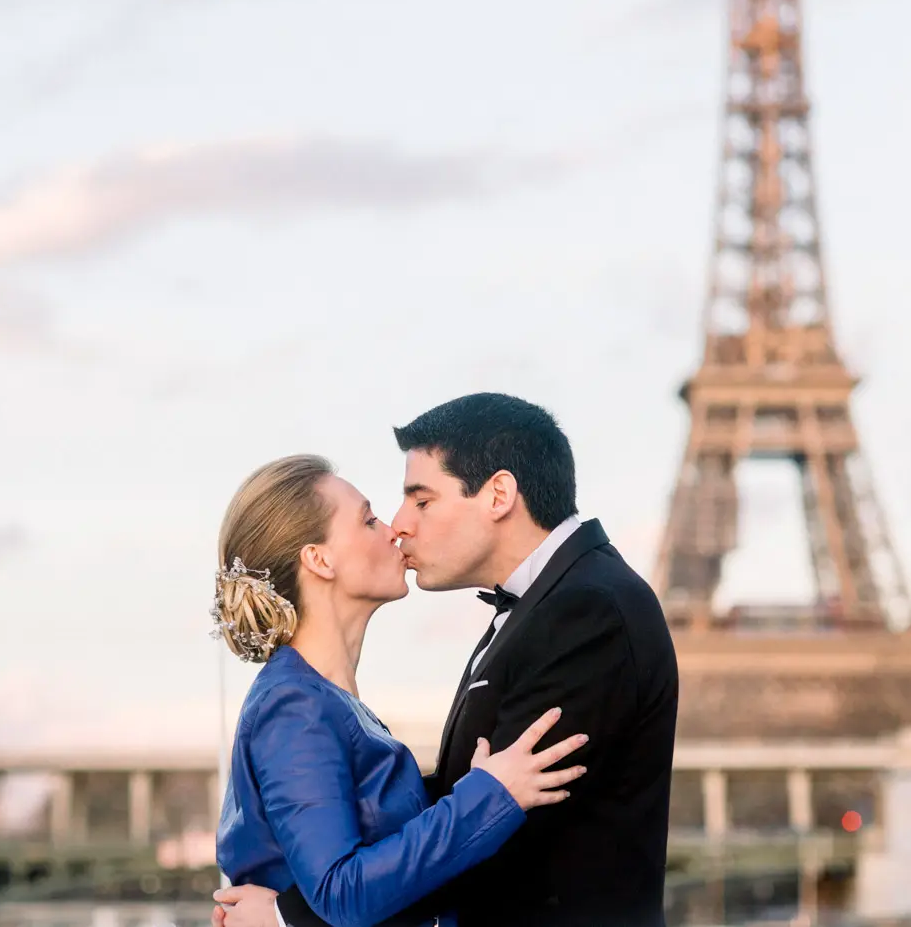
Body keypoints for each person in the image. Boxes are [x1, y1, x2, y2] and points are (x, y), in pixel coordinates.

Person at [215, 393, 680, 927]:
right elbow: (439, 830)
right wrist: (486, 794)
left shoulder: (586, 610)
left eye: (422, 500)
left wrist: (283, 918)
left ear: (499, 494)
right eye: (371, 519)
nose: (396, 526)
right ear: (319, 560)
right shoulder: (297, 703)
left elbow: (507, 827)